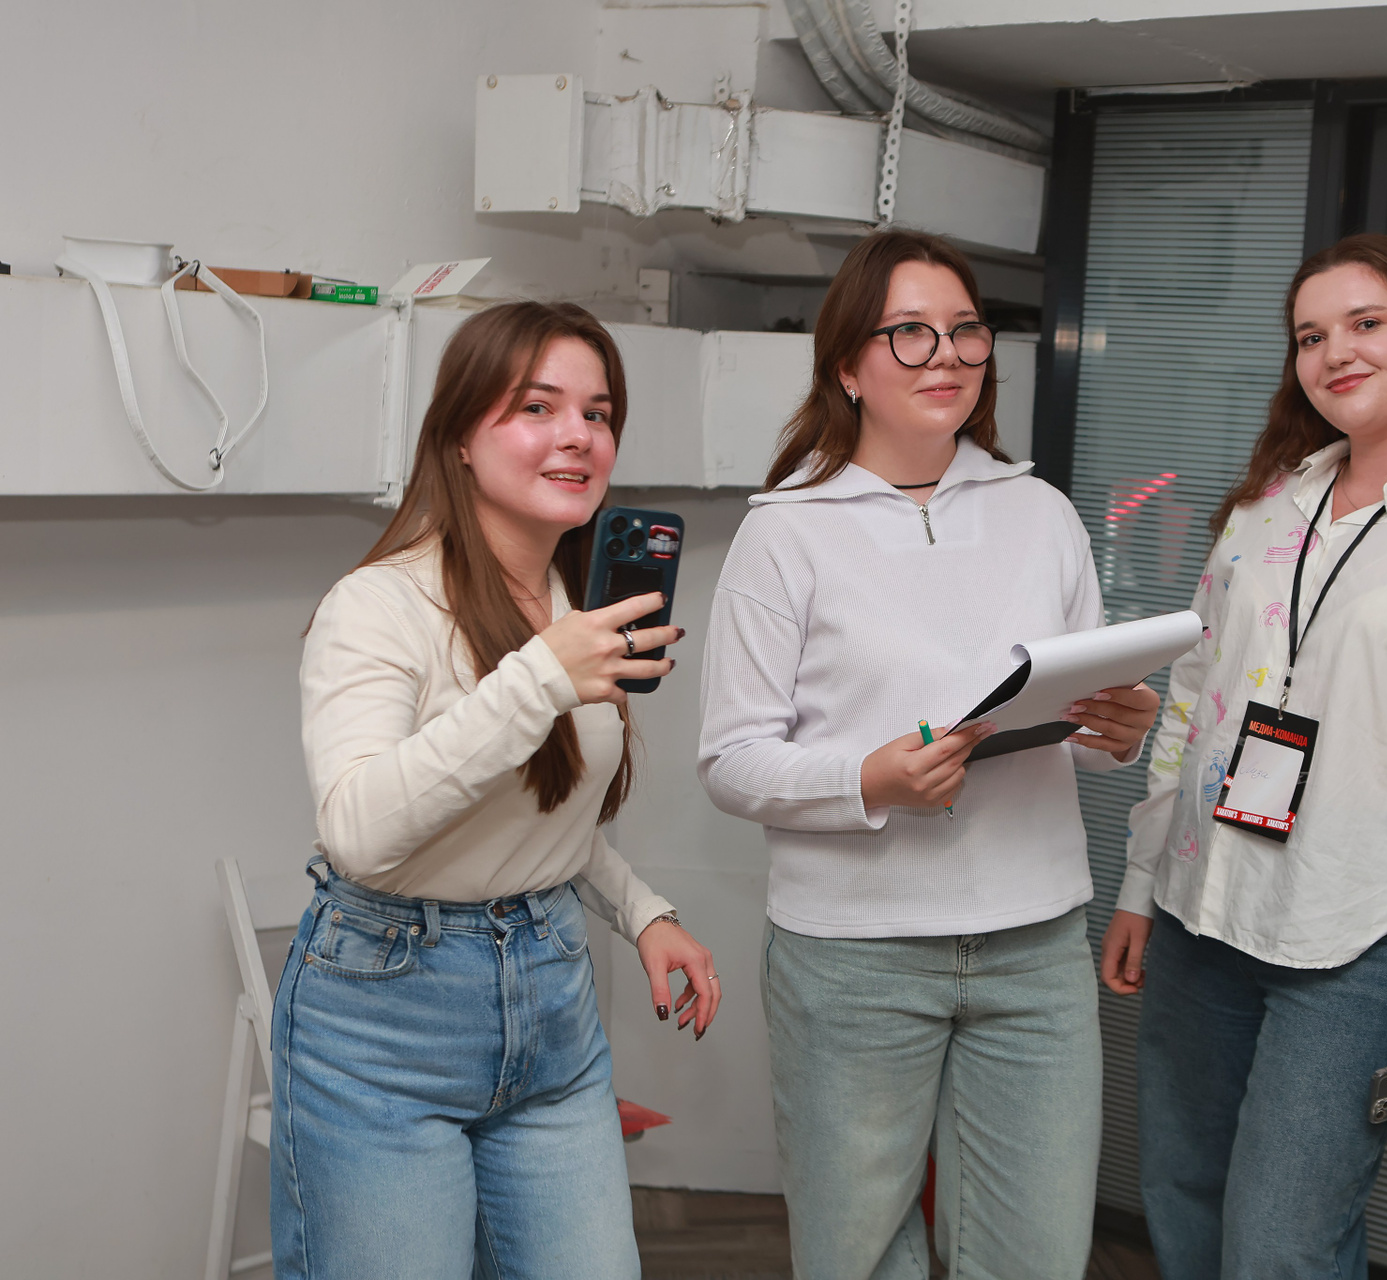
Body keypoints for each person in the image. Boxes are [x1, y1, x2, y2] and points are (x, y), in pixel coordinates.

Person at [1101, 233, 1387, 1278]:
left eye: (1367, 324)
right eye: (1310, 335)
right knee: (1183, 1199)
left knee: (1282, 1246)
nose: (1335, 352)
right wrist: (1141, 878)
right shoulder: (1270, 500)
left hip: (1357, 934)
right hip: (1201, 906)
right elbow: (1196, 697)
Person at [697, 228, 1159, 1279]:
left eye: (964, 330)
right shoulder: (786, 532)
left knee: (1038, 1257)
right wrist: (867, 780)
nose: (945, 354)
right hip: (853, 955)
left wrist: (1119, 732)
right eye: (909, 332)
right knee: (856, 1255)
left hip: (1036, 943)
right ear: (847, 366)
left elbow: (1081, 721)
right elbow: (731, 759)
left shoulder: (1042, 514)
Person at [276, 301, 720, 1279]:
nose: (578, 435)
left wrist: (643, 912)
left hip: (551, 1000)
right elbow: (360, 831)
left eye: (598, 414)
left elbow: (533, 817)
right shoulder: (378, 605)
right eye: (537, 407)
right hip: (386, 1014)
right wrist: (539, 678)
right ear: (461, 438)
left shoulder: (573, 603)